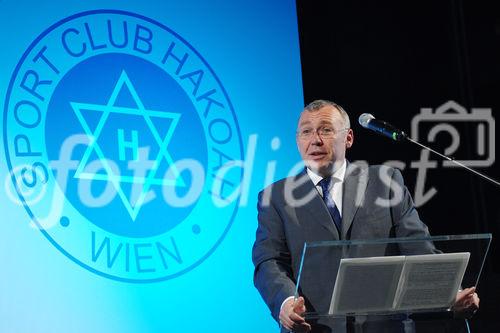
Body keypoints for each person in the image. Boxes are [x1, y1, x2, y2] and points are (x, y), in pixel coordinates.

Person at [252, 100, 479, 332]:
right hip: (315, 326)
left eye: (326, 130)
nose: (315, 140)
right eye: (306, 131)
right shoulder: (276, 197)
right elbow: (269, 261)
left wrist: (453, 293)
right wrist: (286, 302)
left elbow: (418, 247)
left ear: (348, 138)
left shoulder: (385, 182)